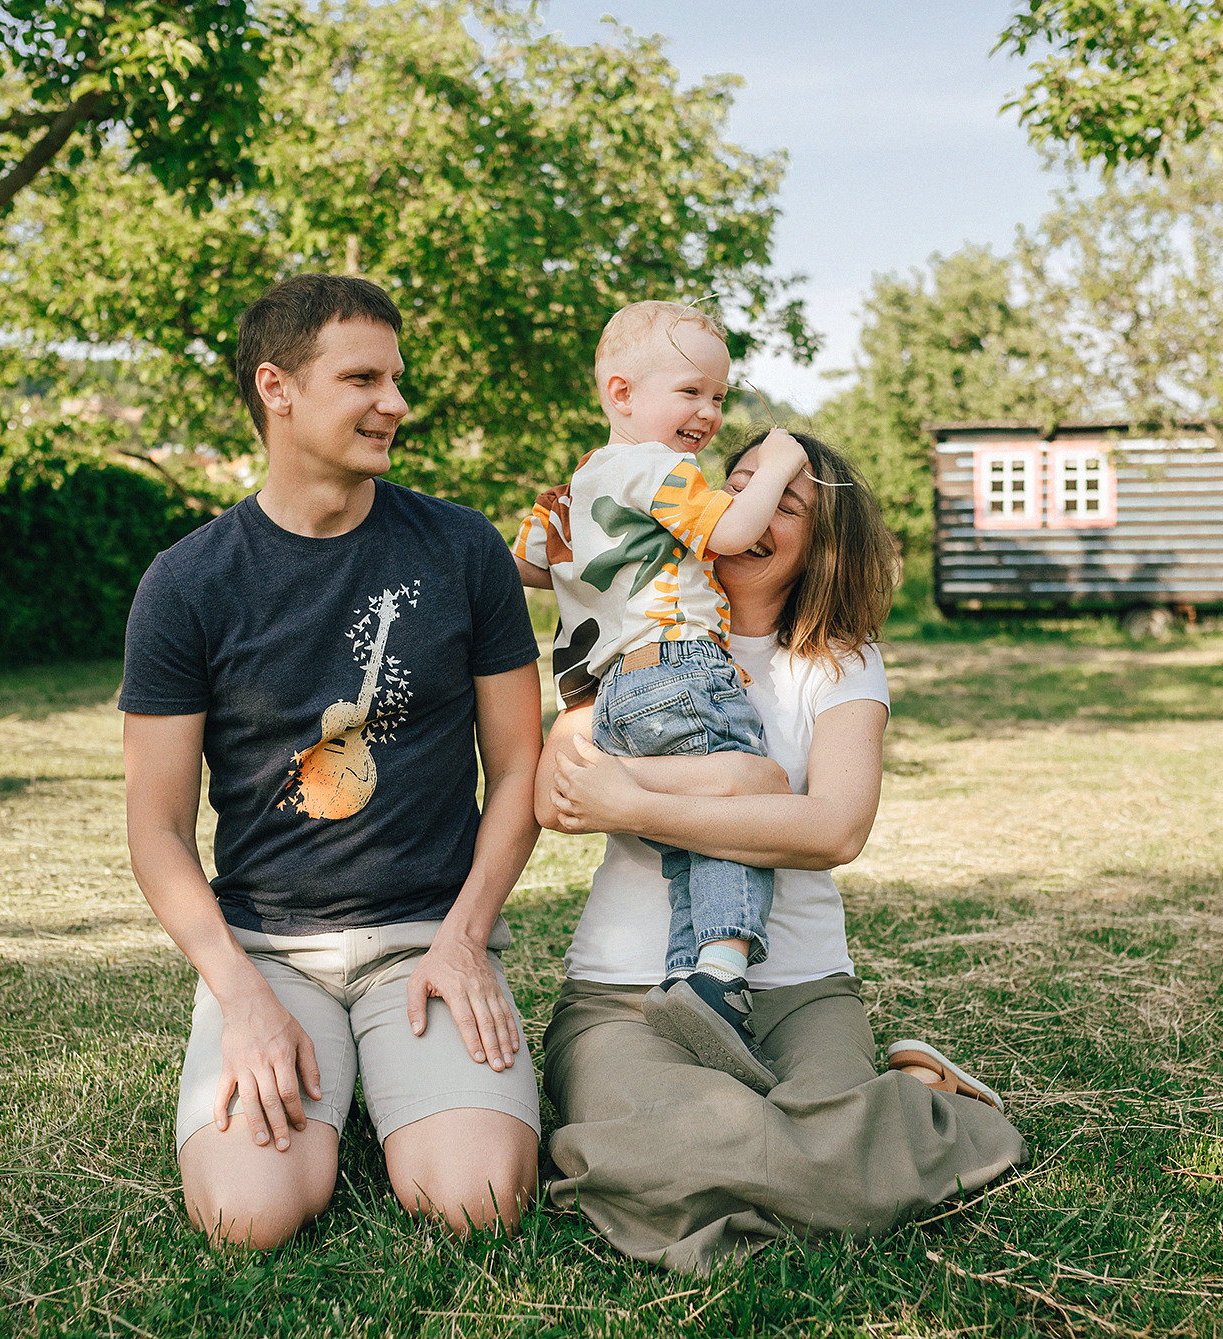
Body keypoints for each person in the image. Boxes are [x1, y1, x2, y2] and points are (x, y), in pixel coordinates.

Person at [532, 430, 1027, 1274]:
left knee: (680, 1154)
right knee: (712, 1138)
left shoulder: (838, 664)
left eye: (783, 503)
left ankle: (738, 1168)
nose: (749, 513)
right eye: (738, 487)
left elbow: (835, 829)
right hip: (624, 993)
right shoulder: (631, 635)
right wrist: (751, 789)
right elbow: (557, 795)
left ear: (823, 542)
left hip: (796, 989)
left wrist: (640, 799)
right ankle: (865, 1142)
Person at [121, 273, 544, 1248]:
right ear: (276, 387)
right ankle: (332, 1081)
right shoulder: (187, 583)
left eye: (395, 378)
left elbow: (519, 767)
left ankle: (398, 1083)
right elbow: (154, 827)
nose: (394, 403)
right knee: (246, 1217)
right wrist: (241, 996)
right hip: (269, 952)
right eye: (362, 378)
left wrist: (465, 937)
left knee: (475, 1200)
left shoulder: (462, 550)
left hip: (427, 938)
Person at [511, 300, 808, 1093]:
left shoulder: (573, 489)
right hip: (681, 664)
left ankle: (697, 993)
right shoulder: (660, 471)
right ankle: (717, 974)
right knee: (734, 824)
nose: (710, 413)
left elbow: (528, 566)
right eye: (691, 393)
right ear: (621, 393)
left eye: (718, 396)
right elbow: (736, 530)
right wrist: (778, 458)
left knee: (689, 832)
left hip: (612, 694)